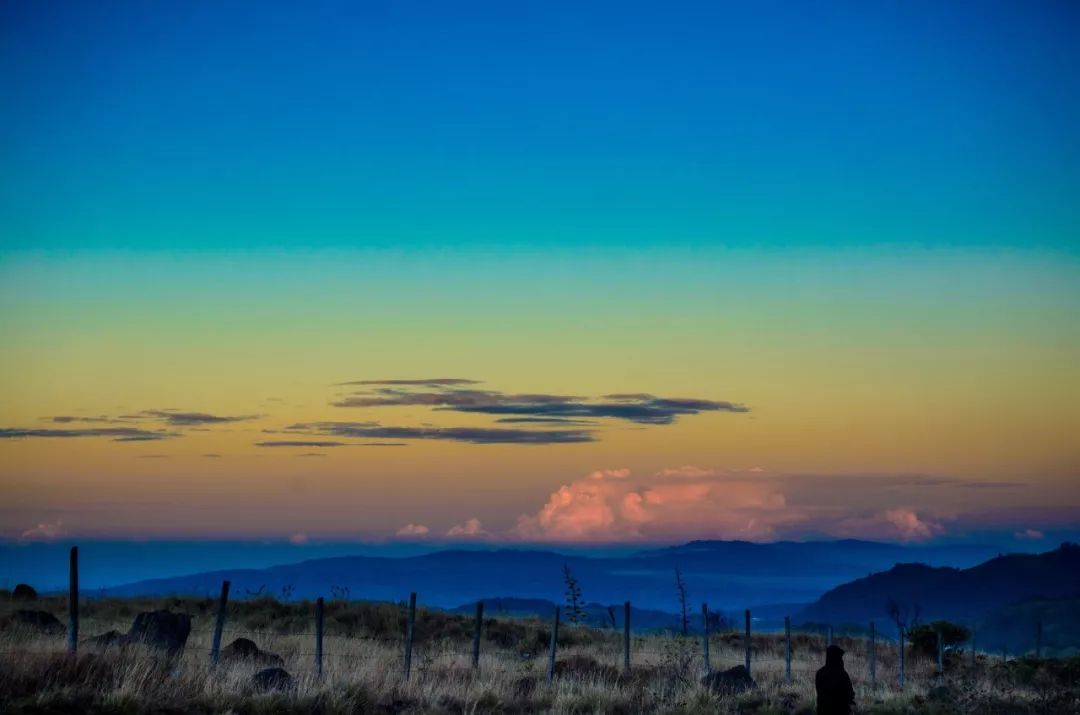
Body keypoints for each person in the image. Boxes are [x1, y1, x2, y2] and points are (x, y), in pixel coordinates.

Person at [815, 644, 855, 715]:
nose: (842, 660)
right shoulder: (842, 674)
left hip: (823, 711)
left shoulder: (820, 673)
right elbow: (849, 694)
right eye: (840, 657)